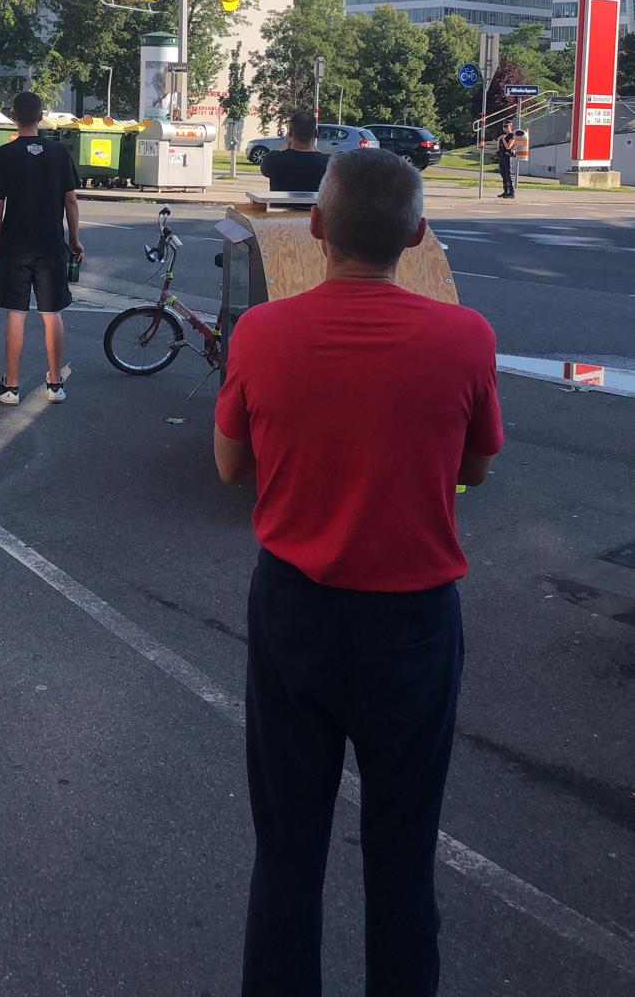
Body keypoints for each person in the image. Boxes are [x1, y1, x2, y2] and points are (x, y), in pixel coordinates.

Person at [214, 149, 503, 997]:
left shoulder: (262, 332)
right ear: (416, 235)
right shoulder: (466, 336)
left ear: (315, 225)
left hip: (296, 616)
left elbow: (232, 466)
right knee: (404, 857)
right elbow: (476, 469)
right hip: (413, 625)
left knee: (289, 852)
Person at [0, 92, 83, 406]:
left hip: (15, 244)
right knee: (51, 313)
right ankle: (55, 383)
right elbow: (70, 200)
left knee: (16, 313)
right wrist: (74, 239)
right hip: (51, 242)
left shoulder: (5, 154)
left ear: (14, 117)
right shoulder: (59, 153)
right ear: (41, 116)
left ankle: (11, 385)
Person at [260, 109, 331, 191]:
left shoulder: (273, 160)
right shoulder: (327, 163)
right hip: (314, 204)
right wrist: (314, 147)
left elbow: (265, 171)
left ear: (290, 133)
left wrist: (285, 143)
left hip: (282, 204)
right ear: (316, 134)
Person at [497, 119, 518, 198]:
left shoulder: (512, 135)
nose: (505, 128)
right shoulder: (504, 135)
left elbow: (508, 147)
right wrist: (499, 140)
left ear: (510, 126)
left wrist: (503, 139)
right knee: (503, 173)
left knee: (509, 174)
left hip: (508, 156)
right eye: (504, 126)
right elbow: (499, 147)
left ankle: (512, 192)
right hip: (502, 156)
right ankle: (506, 191)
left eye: (507, 126)